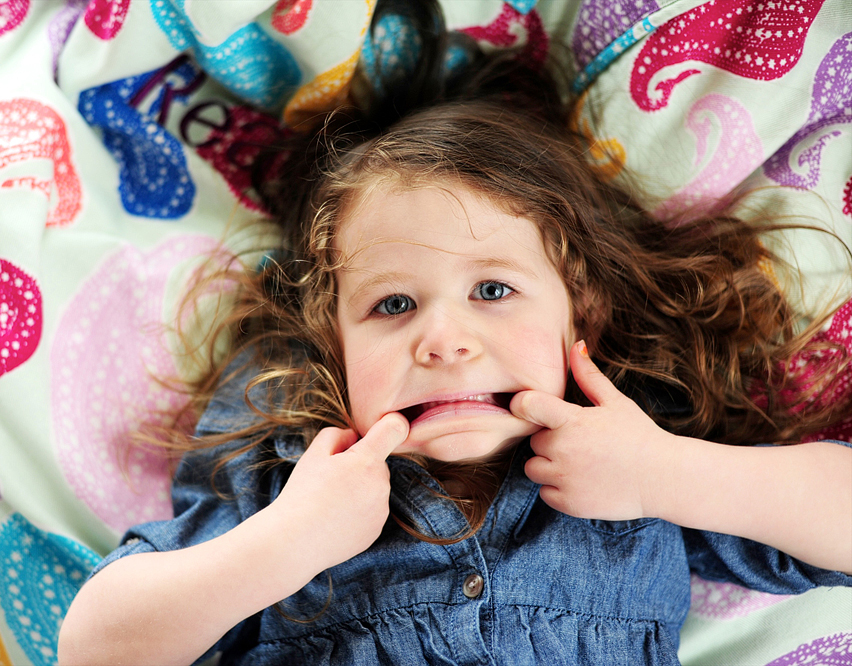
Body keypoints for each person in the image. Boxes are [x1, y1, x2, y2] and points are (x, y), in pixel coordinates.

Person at [58, 8, 852, 665]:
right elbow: (96, 647)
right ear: (329, 341)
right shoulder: (291, 463)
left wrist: (668, 472)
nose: (443, 338)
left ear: (584, 311)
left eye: (494, 290)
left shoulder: (634, 445)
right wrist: (286, 543)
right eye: (393, 305)